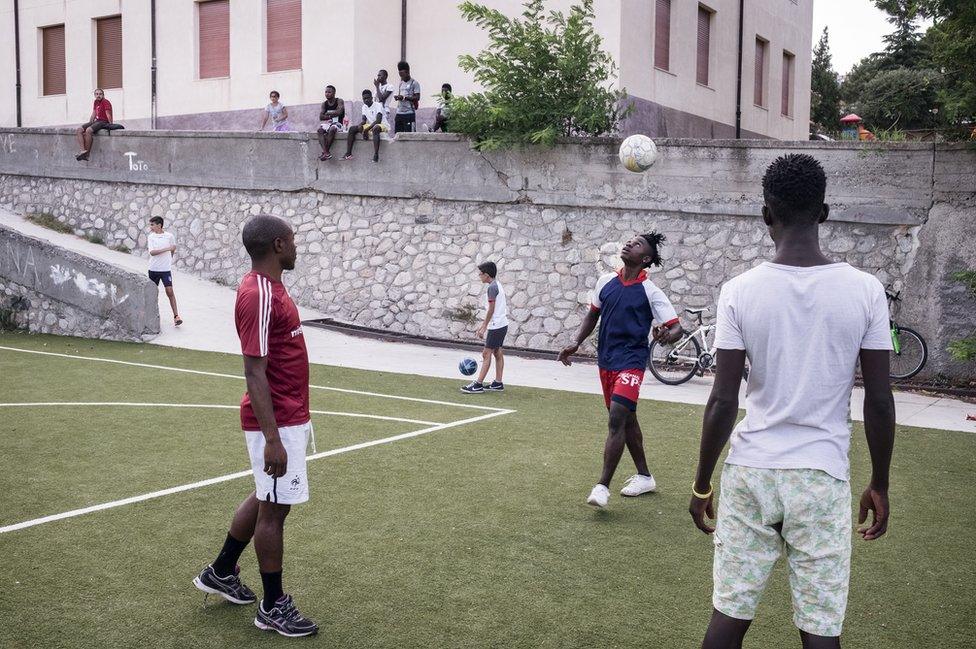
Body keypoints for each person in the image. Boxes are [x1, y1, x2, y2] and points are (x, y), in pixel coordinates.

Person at [688, 154, 896, 649]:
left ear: (766, 215)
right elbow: (880, 400)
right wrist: (880, 483)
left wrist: (701, 485)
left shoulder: (738, 291)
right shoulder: (866, 291)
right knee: (821, 632)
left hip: (751, 471)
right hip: (821, 476)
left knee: (728, 620)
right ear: (823, 213)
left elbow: (722, 399)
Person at [193, 214, 318, 638]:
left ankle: (222, 570)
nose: (297, 247)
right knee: (275, 510)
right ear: (279, 246)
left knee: (267, 495)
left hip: (287, 414)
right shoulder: (259, 293)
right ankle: (273, 606)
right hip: (277, 420)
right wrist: (272, 440)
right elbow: (253, 370)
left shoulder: (270, 289)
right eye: (294, 241)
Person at [558, 234, 682, 508]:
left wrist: (665, 336)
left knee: (616, 418)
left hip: (632, 362)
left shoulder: (651, 291)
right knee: (627, 421)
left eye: (637, 244)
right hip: (607, 361)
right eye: (630, 241)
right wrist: (575, 342)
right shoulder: (605, 282)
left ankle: (602, 486)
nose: (629, 244)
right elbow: (592, 315)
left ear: (646, 259)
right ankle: (645, 477)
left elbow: (676, 327)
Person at [461, 261, 508, 394]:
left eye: (480, 274)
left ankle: (478, 385)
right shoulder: (496, 284)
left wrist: (483, 327)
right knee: (497, 352)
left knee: (486, 353)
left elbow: (491, 310)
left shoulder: (492, 288)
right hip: (502, 324)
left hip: (497, 325)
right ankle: (498, 383)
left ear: (486, 275)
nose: (479, 276)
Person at [147, 216, 182, 326]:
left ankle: (176, 316)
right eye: (150, 225)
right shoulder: (151, 237)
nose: (150, 227)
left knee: (170, 291)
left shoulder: (169, 236)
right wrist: (167, 249)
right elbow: (152, 252)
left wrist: (169, 258)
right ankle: (149, 316)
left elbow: (173, 248)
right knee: (151, 293)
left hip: (165, 270)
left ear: (159, 225)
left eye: (152, 225)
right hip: (153, 269)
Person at [343, 89, 389, 163]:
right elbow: (364, 120)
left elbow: (378, 121)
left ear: (371, 98)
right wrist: (360, 126)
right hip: (371, 125)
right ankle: (348, 153)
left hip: (382, 125)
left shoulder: (378, 105)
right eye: (364, 98)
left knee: (376, 128)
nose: (366, 100)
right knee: (352, 129)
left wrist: (367, 130)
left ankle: (376, 155)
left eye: (368, 98)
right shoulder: (364, 107)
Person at [75, 88, 113, 161]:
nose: (98, 95)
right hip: (96, 121)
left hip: (103, 121)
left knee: (88, 130)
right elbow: (94, 113)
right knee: (79, 130)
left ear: (103, 95)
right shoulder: (96, 102)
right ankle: (83, 151)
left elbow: (108, 114)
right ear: (95, 95)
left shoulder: (105, 102)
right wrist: (90, 123)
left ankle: (87, 155)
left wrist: (110, 125)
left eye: (100, 94)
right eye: (97, 94)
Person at [317, 85, 345, 161]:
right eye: (326, 92)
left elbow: (340, 112)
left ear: (334, 93)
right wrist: (332, 115)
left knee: (332, 129)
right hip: (329, 124)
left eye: (329, 92)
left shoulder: (339, 101)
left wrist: (327, 114)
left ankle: (325, 152)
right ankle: (326, 153)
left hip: (338, 124)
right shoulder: (324, 104)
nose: (327, 94)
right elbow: (321, 117)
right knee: (320, 130)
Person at [392, 61, 420, 135]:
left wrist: (404, 98)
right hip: (399, 113)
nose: (401, 77)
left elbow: (417, 97)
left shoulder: (414, 83)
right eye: (400, 75)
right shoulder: (401, 83)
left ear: (407, 72)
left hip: (409, 113)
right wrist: (398, 97)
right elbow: (400, 96)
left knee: (410, 136)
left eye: (402, 75)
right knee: (397, 135)